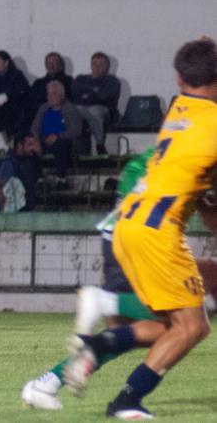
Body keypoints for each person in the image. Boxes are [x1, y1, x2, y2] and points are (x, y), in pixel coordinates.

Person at [64, 38, 217, 419]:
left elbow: (201, 183)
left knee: (167, 324)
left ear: (180, 78)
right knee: (193, 327)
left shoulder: (178, 110)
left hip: (127, 223)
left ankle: (100, 345)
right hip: (157, 233)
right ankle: (127, 400)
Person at [21, 146, 159, 410]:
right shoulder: (190, 147)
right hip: (140, 239)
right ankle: (106, 302)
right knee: (176, 319)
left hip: (121, 235)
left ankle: (45, 384)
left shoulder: (152, 155)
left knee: (125, 334)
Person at [30, 81, 83, 181]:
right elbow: (35, 128)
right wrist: (37, 141)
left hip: (64, 142)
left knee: (62, 145)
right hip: (45, 141)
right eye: (48, 94)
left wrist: (58, 136)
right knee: (32, 148)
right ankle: (39, 180)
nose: (50, 97)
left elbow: (76, 130)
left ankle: (61, 179)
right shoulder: (43, 108)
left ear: (62, 95)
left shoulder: (70, 109)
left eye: (53, 93)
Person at [71, 52, 121, 155]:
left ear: (107, 67)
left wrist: (86, 94)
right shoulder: (81, 78)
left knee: (93, 110)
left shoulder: (112, 81)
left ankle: (99, 143)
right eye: (94, 64)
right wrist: (94, 90)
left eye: (101, 64)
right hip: (82, 109)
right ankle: (96, 144)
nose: (97, 67)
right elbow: (74, 90)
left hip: (105, 111)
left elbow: (104, 96)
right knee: (77, 109)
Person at [0, 50, 30, 137]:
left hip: (11, 108)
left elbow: (23, 91)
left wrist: (7, 96)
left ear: (6, 62)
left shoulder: (17, 75)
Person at [0, 133, 41, 213]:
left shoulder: (32, 161)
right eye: (30, 144)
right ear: (20, 145)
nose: (33, 148)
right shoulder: (9, 163)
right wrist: (5, 208)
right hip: (16, 211)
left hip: (30, 210)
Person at [28, 52, 73, 120]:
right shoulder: (38, 83)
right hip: (39, 116)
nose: (51, 66)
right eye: (49, 63)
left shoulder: (68, 81)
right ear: (46, 65)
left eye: (54, 63)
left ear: (60, 65)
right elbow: (31, 102)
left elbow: (69, 101)